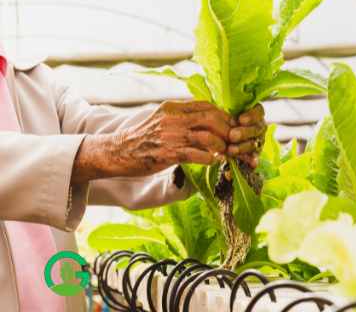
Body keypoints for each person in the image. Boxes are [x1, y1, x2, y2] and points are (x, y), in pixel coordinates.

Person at [0, 51, 266, 312]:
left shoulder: (30, 78)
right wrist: (112, 151)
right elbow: (93, 150)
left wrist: (204, 137)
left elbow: (91, 131)